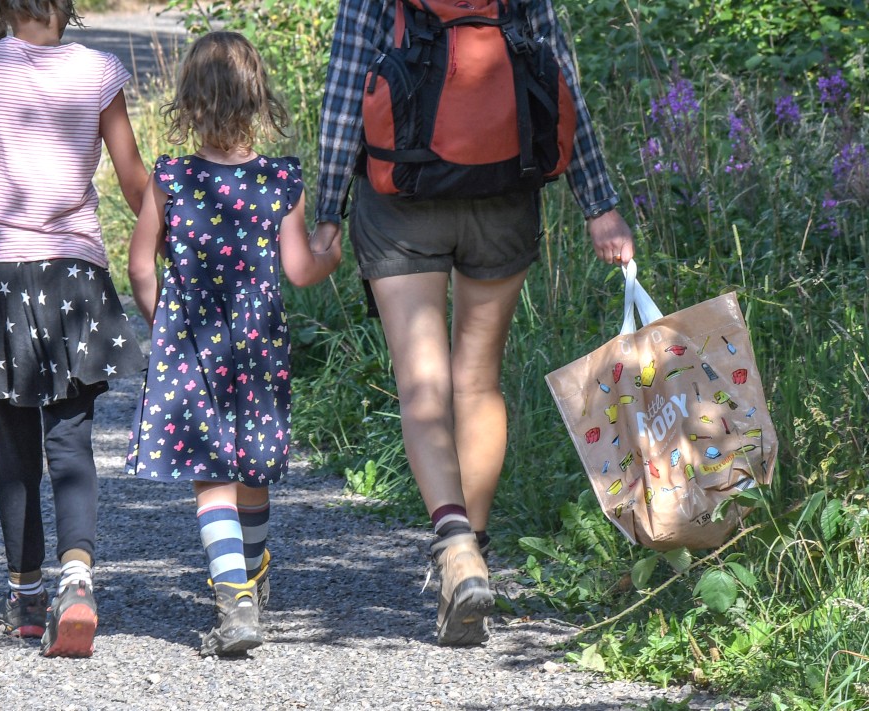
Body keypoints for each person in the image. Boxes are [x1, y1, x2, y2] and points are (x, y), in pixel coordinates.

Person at [315, 0, 636, 647]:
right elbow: (558, 76)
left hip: (401, 192)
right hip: (504, 189)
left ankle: (456, 548)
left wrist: (327, 208)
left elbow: (348, 86)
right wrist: (599, 206)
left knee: (423, 385)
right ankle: (476, 553)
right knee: (478, 380)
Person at [0, 0, 149, 658]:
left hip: (0, 274)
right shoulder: (100, 71)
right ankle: (78, 581)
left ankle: (27, 599)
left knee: (14, 447)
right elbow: (133, 179)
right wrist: (171, 234)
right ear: (69, 7)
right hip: (74, 275)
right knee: (72, 439)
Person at [126, 31, 342, 657]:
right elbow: (301, 270)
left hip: (193, 339)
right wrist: (333, 248)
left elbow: (142, 267)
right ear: (258, 103)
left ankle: (235, 596)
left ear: (189, 105)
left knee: (210, 475)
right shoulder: (281, 181)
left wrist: (163, 320)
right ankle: (251, 579)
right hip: (257, 345)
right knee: (252, 468)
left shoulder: (170, 178)